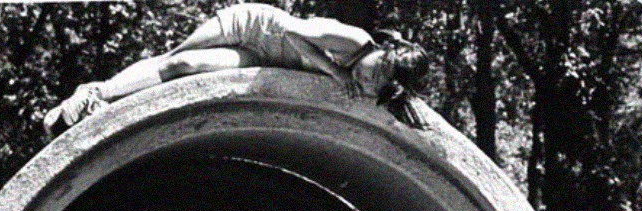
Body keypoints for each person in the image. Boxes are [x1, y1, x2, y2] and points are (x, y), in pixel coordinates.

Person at [44, 2, 428, 136]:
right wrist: (336, 72)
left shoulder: (377, 85)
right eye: (376, 70)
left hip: (260, 62)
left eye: (378, 84)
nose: (367, 79)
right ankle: (98, 94)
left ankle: (107, 108)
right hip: (253, 26)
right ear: (386, 49)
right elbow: (292, 32)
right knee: (175, 58)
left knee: (187, 69)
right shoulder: (355, 42)